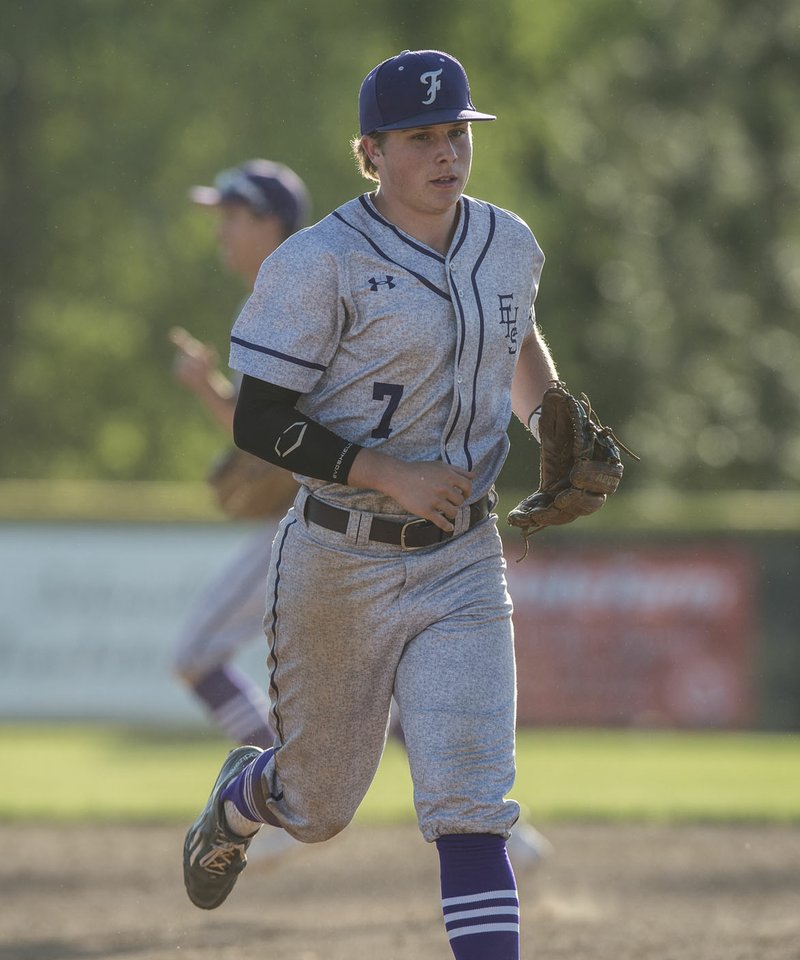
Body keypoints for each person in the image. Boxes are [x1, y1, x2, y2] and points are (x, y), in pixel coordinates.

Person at [183, 50, 561, 958]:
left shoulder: (505, 241)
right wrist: (389, 472)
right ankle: (245, 796)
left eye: (457, 133)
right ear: (371, 152)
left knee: (472, 803)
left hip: (464, 558)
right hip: (339, 557)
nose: (446, 153)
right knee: (317, 808)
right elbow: (261, 420)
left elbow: (517, 336)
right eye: (421, 137)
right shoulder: (321, 261)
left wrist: (554, 420)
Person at [170, 159, 310, 860]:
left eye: (231, 216)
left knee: (195, 653)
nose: (220, 231)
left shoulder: (288, 297)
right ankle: (501, 830)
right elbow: (264, 425)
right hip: (341, 510)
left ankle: (275, 797)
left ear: (269, 222)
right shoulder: (297, 289)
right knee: (382, 683)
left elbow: (286, 431)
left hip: (312, 517)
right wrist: (209, 389)